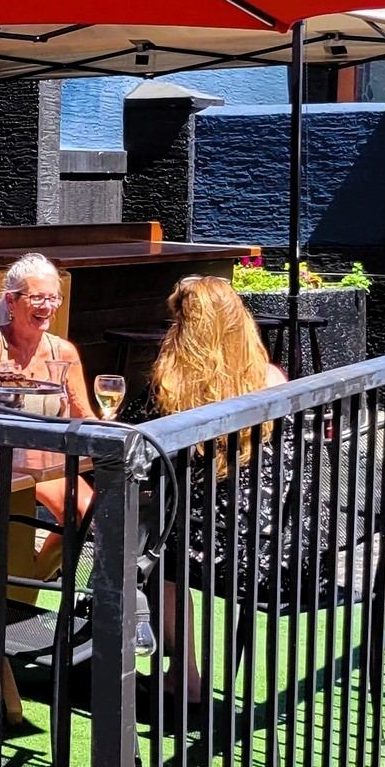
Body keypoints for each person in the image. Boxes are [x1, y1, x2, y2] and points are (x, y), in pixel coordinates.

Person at [149, 274, 291, 704]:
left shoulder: (175, 385)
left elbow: (150, 451)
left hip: (215, 547)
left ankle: (186, 678)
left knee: (154, 560)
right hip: (279, 543)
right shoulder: (270, 376)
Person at [0, 253, 94, 545]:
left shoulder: (63, 353)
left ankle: (37, 573)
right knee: (80, 510)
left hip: (46, 460)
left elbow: (85, 416)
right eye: (37, 298)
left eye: (53, 298)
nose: (47, 306)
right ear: (11, 301)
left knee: (90, 512)